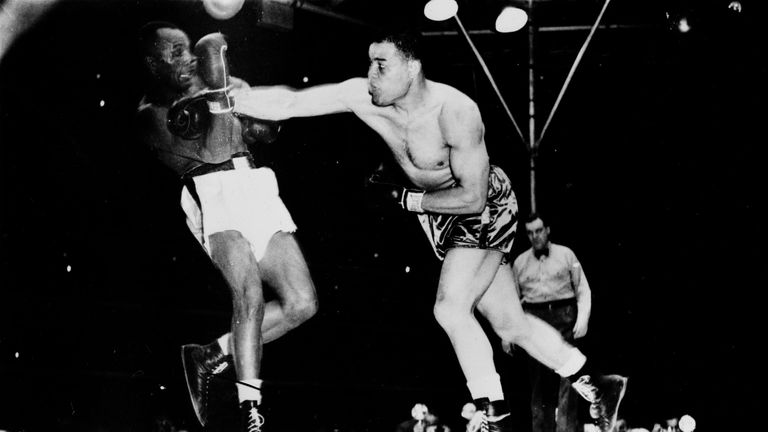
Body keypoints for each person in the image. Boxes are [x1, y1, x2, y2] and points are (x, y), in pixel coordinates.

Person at [231, 29, 626, 432]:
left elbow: (472, 198)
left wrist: (407, 201)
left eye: (381, 65)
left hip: (483, 207)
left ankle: (494, 415)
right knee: (509, 323)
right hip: (441, 219)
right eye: (370, 62)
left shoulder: (454, 110)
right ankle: (593, 382)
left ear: (412, 67)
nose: (371, 75)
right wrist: (229, 98)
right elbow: (291, 102)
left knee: (450, 307)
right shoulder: (364, 98)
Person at [135, 21, 318, 431]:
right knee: (248, 295)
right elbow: (213, 150)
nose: (187, 60)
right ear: (152, 63)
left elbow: (258, 133)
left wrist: (254, 115)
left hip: (254, 181)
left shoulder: (211, 81)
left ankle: (212, 355)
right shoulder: (150, 114)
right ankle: (249, 409)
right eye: (175, 53)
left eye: (188, 50)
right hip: (210, 191)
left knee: (302, 302)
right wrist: (218, 94)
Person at [511, 213, 592, 432]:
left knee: (570, 381)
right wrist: (507, 335)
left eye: (538, 231)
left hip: (564, 317)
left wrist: (583, 317)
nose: (535, 236)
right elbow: (511, 302)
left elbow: (582, 288)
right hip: (533, 321)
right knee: (539, 386)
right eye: (530, 232)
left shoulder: (566, 255)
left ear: (547, 230)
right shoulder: (519, 262)